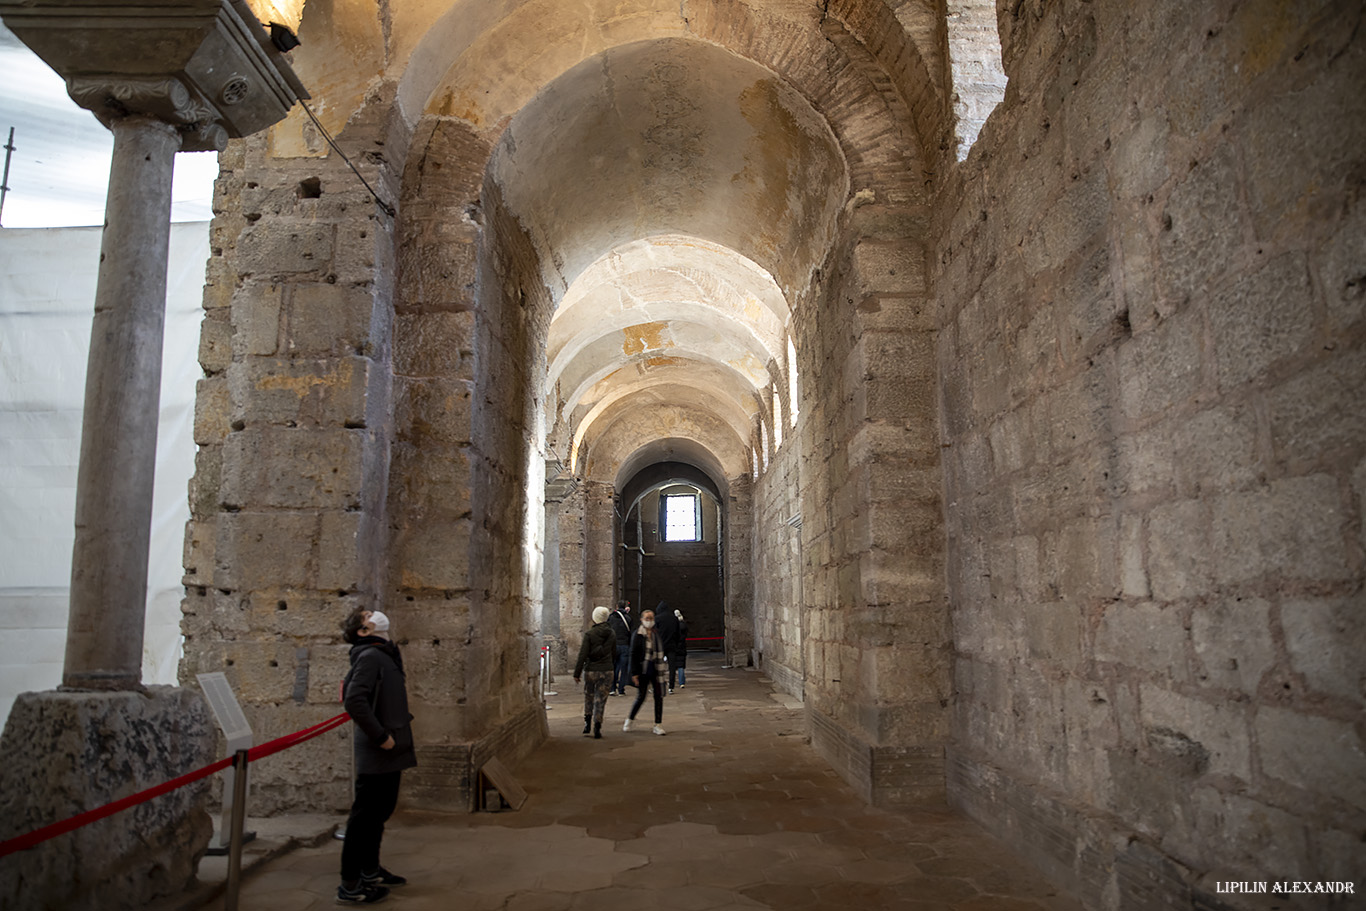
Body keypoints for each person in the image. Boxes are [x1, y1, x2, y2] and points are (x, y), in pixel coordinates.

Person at [338, 608, 416, 905]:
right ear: (363, 631)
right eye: (368, 615)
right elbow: (354, 700)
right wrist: (381, 737)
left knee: (380, 813)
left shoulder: (382, 652)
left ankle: (370, 870)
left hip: (391, 745)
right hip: (379, 748)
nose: (377, 614)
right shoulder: (370, 656)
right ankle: (350, 883)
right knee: (364, 817)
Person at [573, 606, 616, 738]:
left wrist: (577, 672)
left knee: (589, 696)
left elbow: (583, 654)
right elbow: (614, 653)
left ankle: (587, 724)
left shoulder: (589, 634)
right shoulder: (612, 633)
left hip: (591, 670)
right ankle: (597, 726)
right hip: (606, 670)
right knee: (600, 699)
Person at [623, 608, 667, 735]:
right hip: (643, 670)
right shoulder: (637, 635)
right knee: (641, 697)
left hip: (655, 669)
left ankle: (658, 724)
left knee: (658, 696)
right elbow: (633, 654)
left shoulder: (655, 634)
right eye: (647, 619)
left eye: (651, 619)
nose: (649, 621)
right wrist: (634, 673)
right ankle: (630, 719)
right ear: (642, 620)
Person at [607, 600, 634, 695]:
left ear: (617, 606)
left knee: (614, 667)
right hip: (625, 645)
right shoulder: (628, 618)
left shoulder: (611, 617)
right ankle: (621, 689)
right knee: (624, 668)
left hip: (614, 645)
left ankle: (612, 688)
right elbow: (631, 631)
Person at [654, 601, 680, 693]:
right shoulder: (674, 619)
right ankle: (671, 686)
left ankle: (657, 685)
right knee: (672, 667)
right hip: (672, 645)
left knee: (657, 666)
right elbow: (678, 633)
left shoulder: (657, 618)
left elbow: (654, 633)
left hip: (660, 646)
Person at [672, 608, 688, 690]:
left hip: (675, 647)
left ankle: (673, 681)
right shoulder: (684, 625)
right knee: (681, 666)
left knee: (673, 666)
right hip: (682, 647)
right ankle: (682, 682)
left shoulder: (674, 626)